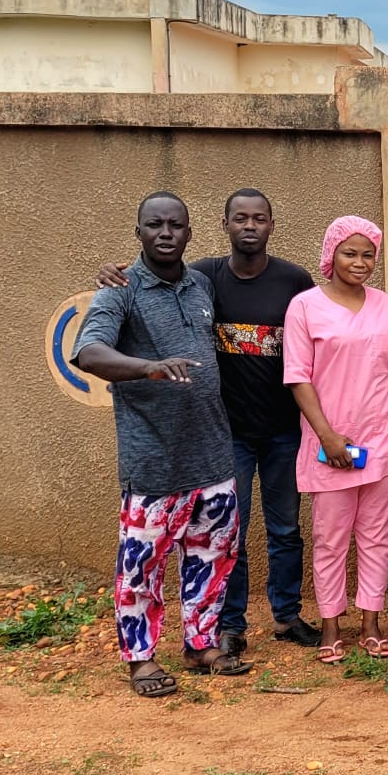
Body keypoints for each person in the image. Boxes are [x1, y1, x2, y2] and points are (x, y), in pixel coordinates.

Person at [94, 189, 320, 655]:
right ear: (224, 225)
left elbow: (316, 338)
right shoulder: (204, 276)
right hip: (225, 436)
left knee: (284, 531)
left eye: (259, 218)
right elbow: (138, 297)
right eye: (240, 218)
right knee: (229, 537)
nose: (250, 226)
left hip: (282, 430)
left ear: (272, 224)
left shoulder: (293, 280)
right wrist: (112, 275)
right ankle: (229, 626)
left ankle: (286, 615)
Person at [72, 192, 249, 698]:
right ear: (139, 233)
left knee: (213, 559)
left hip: (213, 456)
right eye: (155, 225)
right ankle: (141, 660)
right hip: (153, 462)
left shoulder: (201, 284)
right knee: (141, 568)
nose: (166, 233)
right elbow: (88, 352)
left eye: (175, 225)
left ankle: (201, 645)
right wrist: (147, 367)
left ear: (190, 233)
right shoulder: (119, 291)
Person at [283, 216, 388, 662]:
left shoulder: (384, 304)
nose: (359, 262)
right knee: (330, 539)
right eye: (349, 253)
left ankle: (371, 622)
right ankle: (331, 625)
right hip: (330, 444)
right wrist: (327, 435)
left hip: (382, 437)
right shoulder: (304, 306)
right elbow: (298, 377)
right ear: (330, 254)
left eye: (368, 254)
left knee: (377, 535)